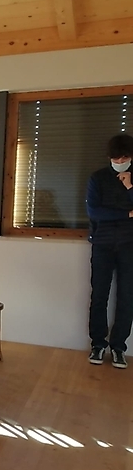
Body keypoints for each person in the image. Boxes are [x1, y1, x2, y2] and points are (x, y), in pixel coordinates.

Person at [87, 134, 133, 368]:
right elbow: (94, 212)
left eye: (124, 157)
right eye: (116, 158)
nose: (120, 161)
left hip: (129, 244)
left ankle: (118, 347)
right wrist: (128, 213)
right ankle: (98, 344)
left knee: (127, 296)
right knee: (99, 295)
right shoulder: (98, 178)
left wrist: (130, 187)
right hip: (102, 243)